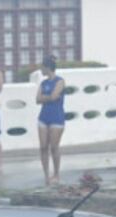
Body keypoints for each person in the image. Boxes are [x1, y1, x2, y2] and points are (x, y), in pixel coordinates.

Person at [36, 56, 66, 186]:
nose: (41, 70)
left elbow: (54, 96)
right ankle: (46, 175)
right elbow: (37, 99)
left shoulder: (60, 81)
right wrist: (48, 97)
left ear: (48, 68)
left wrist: (45, 97)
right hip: (44, 116)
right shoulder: (43, 83)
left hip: (56, 116)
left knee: (54, 146)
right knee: (43, 147)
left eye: (42, 67)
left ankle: (56, 173)